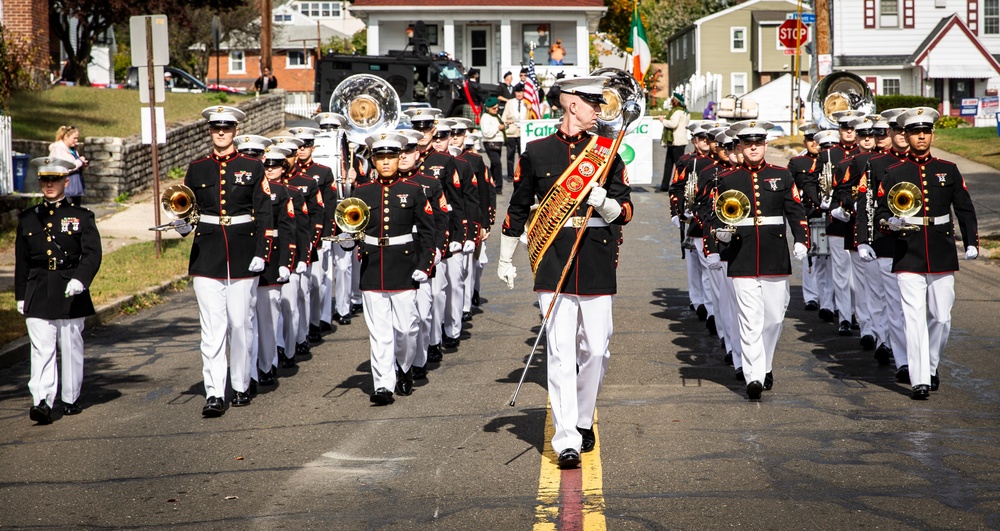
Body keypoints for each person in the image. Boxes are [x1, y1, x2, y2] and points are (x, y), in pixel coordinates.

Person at [499, 76, 634, 469]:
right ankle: (566, 439)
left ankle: (580, 414)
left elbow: (625, 212)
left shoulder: (607, 154)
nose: (600, 110)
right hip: (553, 256)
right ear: (573, 104)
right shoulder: (537, 152)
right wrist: (506, 256)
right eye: (594, 103)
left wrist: (602, 200)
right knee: (559, 353)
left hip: (594, 254)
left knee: (597, 347)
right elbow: (519, 207)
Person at [875, 107, 978, 400]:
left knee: (941, 317)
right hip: (908, 251)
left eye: (926, 131)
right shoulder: (894, 172)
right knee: (914, 316)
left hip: (941, 249)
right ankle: (919, 378)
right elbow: (881, 212)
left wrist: (971, 241)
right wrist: (889, 222)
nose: (921, 136)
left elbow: (965, 208)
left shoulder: (948, 169)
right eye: (915, 132)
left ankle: (931, 364)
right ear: (905, 136)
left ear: (932, 134)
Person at [707, 120, 808, 400]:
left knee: (774, 319)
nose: (753, 148)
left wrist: (801, 239)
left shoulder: (782, 174)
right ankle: (754, 377)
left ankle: (766, 365)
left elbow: (795, 210)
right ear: (739, 147)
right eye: (748, 144)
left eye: (758, 143)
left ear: (765, 144)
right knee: (749, 319)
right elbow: (716, 214)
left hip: (774, 255)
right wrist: (719, 238)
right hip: (741, 254)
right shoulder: (727, 178)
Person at [182, 106, 273, 417]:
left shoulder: (252, 166)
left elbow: (263, 213)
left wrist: (262, 252)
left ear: (235, 131)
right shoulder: (196, 169)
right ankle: (214, 393)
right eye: (215, 127)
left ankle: (241, 384)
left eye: (227, 128)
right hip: (207, 256)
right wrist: (181, 224)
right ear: (209, 130)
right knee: (213, 329)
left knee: (240, 325)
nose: (220, 133)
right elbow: (187, 210)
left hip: (244, 253)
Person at [346, 132, 435, 405]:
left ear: (399, 158)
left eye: (390, 157)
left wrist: (425, 265)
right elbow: (353, 229)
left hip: (404, 267)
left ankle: (405, 367)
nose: (385, 162)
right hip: (373, 266)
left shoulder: (413, 190)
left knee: (407, 329)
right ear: (373, 160)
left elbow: (429, 233)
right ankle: (383, 384)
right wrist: (349, 240)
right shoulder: (362, 192)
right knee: (380, 332)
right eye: (380, 157)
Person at [16, 157, 103, 423]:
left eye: (54, 179)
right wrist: (20, 295)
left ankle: (70, 397)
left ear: (66, 181)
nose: (49, 185)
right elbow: (22, 260)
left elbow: (92, 254)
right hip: (39, 287)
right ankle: (42, 400)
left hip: (69, 287)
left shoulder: (81, 217)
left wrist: (80, 279)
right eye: (45, 180)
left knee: (71, 345)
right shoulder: (28, 218)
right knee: (41, 349)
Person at [254, 147, 298, 387]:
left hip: (272, 258)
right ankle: (249, 368)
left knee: (268, 316)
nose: (269, 169)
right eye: (266, 165)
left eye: (274, 166)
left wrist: (286, 263)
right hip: (244, 256)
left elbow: (289, 227)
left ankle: (266, 364)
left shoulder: (281, 191)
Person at [48, 125, 89, 206]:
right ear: (66, 137)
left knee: (75, 215)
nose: (76, 141)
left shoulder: (72, 150)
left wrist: (82, 164)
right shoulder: (58, 149)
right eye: (74, 138)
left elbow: (75, 164)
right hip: (65, 189)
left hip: (75, 189)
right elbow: (64, 167)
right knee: (66, 214)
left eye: (77, 138)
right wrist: (80, 161)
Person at [657, 93, 689, 192]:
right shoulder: (685, 112)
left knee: (676, 164)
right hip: (678, 141)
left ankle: (679, 184)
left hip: (676, 141)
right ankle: (666, 184)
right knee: (670, 163)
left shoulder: (677, 112)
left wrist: (663, 120)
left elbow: (673, 124)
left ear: (675, 102)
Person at [502, 83, 529, 186]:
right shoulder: (510, 102)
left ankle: (521, 174)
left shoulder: (527, 103)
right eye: (517, 92)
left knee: (522, 155)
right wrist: (505, 124)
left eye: (521, 92)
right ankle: (510, 175)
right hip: (511, 132)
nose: (519, 94)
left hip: (523, 132)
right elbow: (504, 117)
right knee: (510, 155)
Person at [479, 97, 506, 194]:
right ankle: (499, 186)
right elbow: (486, 133)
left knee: (494, 165)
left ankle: (488, 181)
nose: (496, 110)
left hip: (498, 143)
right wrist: (498, 128)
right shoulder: (485, 117)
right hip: (490, 143)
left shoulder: (497, 116)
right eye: (494, 108)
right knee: (497, 163)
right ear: (488, 108)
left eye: (497, 108)